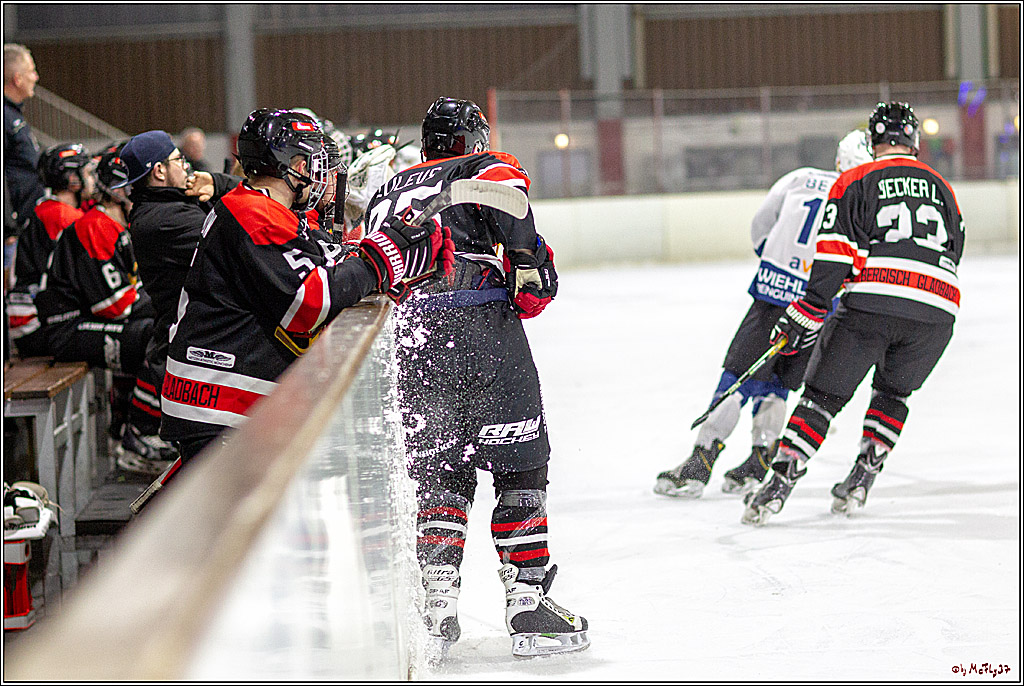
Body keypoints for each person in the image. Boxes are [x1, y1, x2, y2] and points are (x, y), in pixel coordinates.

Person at [365, 97, 587, 660]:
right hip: (482, 334)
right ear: (470, 139)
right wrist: (532, 267)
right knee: (520, 465)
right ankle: (527, 602)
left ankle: (437, 607)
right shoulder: (483, 166)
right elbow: (523, 246)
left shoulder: (388, 189)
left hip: (414, 342)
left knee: (443, 468)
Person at [159, 108, 452, 464]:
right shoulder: (254, 214)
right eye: (312, 161)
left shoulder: (264, 209)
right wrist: (384, 255)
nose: (318, 174)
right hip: (217, 402)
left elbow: (329, 267)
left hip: (221, 395)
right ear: (293, 164)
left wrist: (395, 267)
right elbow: (312, 300)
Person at [741, 102, 965, 526]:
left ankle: (777, 486)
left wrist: (808, 308)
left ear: (874, 142)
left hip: (871, 305)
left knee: (821, 398)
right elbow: (954, 250)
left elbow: (834, 253)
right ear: (914, 142)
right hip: (937, 311)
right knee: (893, 395)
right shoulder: (944, 187)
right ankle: (862, 478)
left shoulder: (856, 178)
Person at [654, 129, 874, 498]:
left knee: (737, 376)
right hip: (818, 309)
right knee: (780, 385)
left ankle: (700, 462)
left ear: (839, 160)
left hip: (771, 300)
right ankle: (759, 461)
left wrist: (777, 266)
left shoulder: (799, 178)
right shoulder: (863, 202)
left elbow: (760, 228)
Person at [33, 145, 177, 476]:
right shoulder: (97, 226)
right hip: (65, 328)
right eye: (134, 184)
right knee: (154, 338)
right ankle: (138, 434)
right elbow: (113, 305)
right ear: (118, 189)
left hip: (84, 320)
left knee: (156, 329)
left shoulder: (116, 224)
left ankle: (124, 430)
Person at [114, 130, 241, 399]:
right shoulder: (162, 219)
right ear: (159, 171)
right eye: (178, 159)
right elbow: (239, 238)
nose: (187, 166)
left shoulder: (170, 205)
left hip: (199, 349)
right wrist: (224, 185)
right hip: (192, 362)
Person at [7, 142, 94, 357]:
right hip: (38, 324)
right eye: (87, 173)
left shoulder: (48, 209)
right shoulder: (63, 216)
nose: (93, 179)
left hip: (30, 317)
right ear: (72, 180)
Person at [4, 44, 45, 276]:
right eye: (31, 71)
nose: (36, 77)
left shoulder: (13, 115)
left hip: (22, 225)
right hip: (10, 233)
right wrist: (7, 226)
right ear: (17, 79)